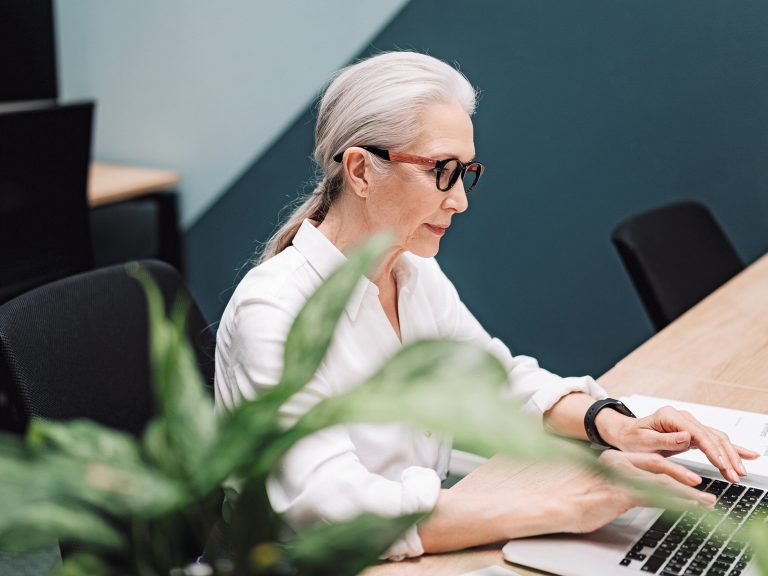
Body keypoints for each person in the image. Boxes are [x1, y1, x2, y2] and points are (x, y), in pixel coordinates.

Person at [213, 51, 758, 560]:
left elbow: (496, 380)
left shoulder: (412, 271)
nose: (460, 199)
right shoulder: (276, 312)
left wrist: (610, 422)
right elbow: (330, 514)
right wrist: (564, 504)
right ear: (359, 170)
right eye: (441, 171)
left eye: (467, 172)